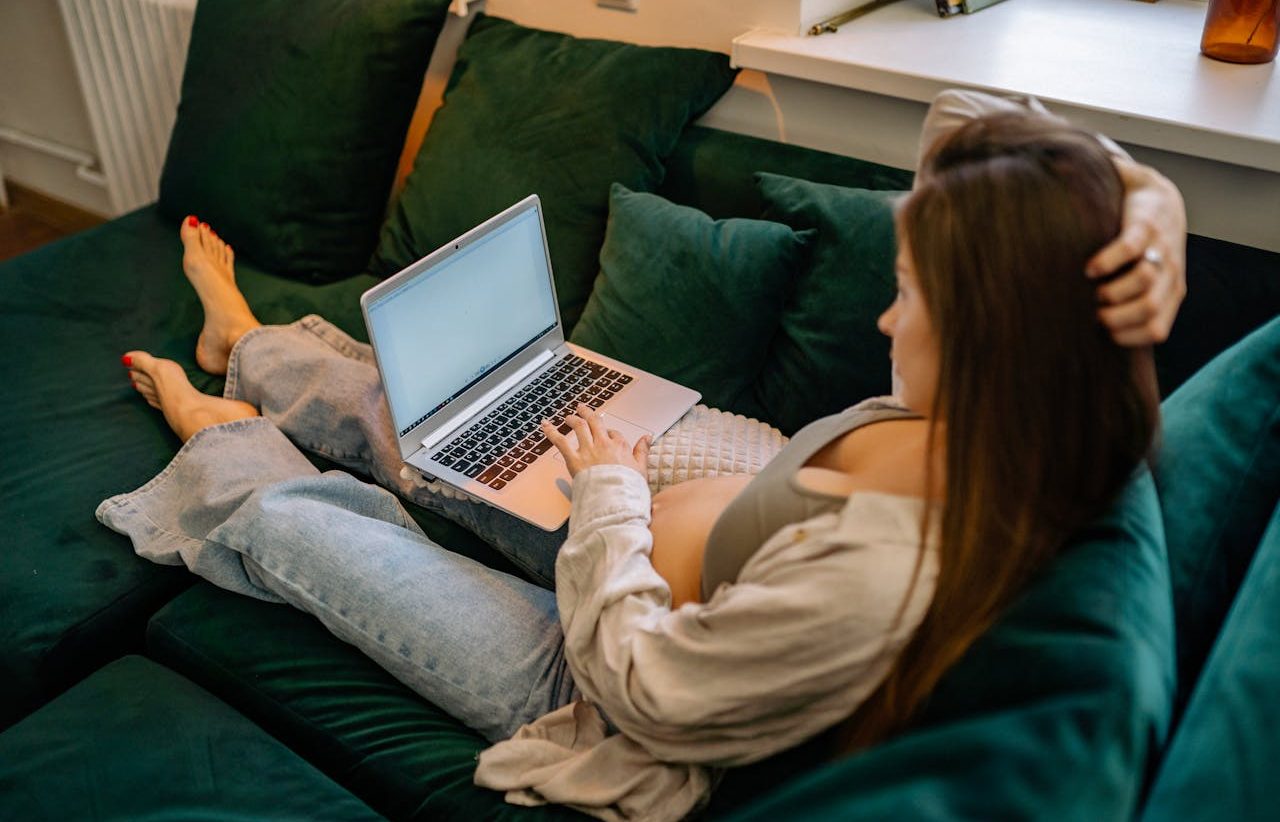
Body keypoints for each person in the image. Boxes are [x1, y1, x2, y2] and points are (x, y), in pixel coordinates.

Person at [98, 104, 1180, 820]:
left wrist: (612, 497)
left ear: (999, 339)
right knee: (430, 415)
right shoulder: (1001, 410)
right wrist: (1142, 204)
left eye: (913, 298)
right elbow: (966, 135)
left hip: (595, 662)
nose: (889, 316)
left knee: (302, 527)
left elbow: (655, 692)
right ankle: (241, 341)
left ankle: (219, 434)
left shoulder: (889, 574)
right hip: (640, 503)